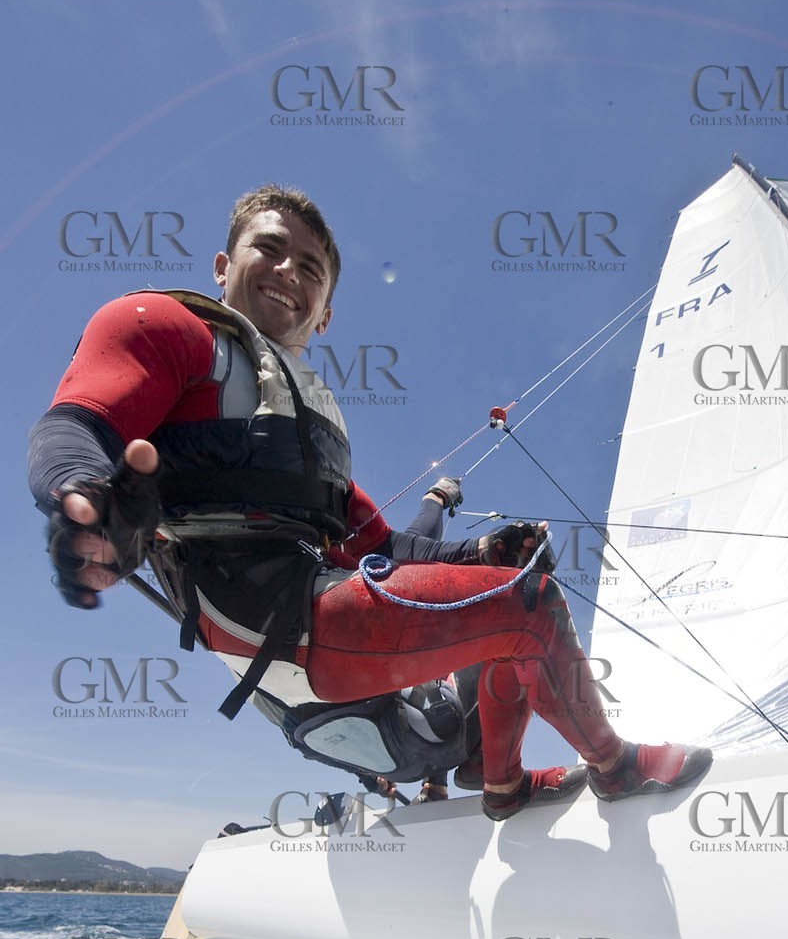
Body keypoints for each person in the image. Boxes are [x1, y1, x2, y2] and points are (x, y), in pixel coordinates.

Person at [28, 184, 711, 820]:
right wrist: (84, 494)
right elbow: (76, 427)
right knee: (526, 606)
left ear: (324, 314)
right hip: (272, 621)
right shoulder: (164, 327)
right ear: (221, 263)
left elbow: (385, 549)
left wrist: (479, 551)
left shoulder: (302, 434)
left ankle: (500, 784)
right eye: (268, 248)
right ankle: (614, 768)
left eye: (311, 266)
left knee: (509, 589)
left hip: (327, 644)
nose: (288, 270)